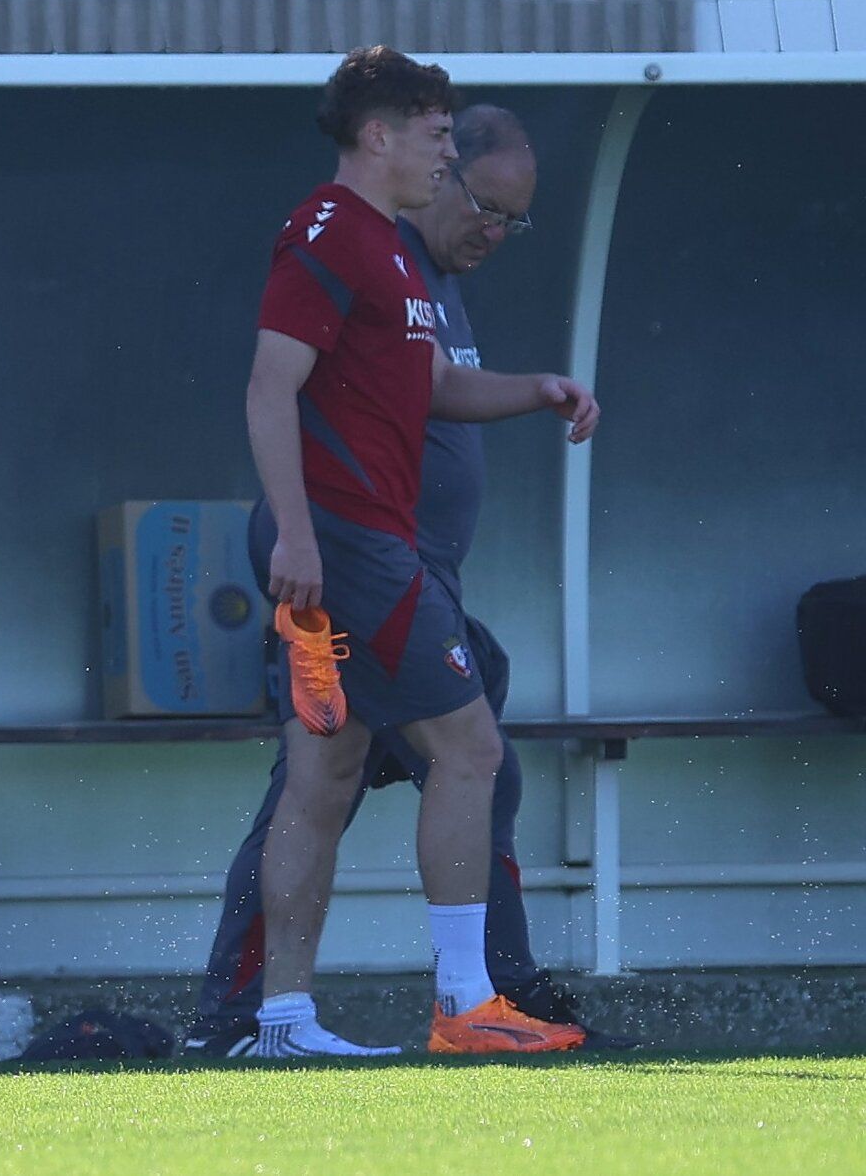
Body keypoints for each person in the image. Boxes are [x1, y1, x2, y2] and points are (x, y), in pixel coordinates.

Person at [187, 102, 627, 1056]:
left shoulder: (408, 268)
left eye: (516, 220)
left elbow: (430, 387)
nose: (497, 231)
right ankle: (458, 1002)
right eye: (485, 203)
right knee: (454, 759)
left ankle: (280, 1017)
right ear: (400, 146)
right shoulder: (347, 238)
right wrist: (295, 535)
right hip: (368, 564)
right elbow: (271, 386)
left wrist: (536, 389)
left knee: (336, 773)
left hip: (412, 572)